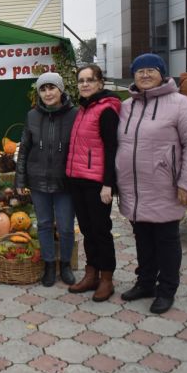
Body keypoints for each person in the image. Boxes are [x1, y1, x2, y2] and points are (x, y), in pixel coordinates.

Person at [117, 53, 187, 314]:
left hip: (165, 186)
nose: (145, 75)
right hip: (133, 187)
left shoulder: (181, 104)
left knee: (166, 240)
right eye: (139, 71)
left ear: (162, 73)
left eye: (151, 70)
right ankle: (145, 283)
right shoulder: (127, 107)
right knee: (143, 239)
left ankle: (167, 289)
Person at [15, 73, 78, 286]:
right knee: (43, 224)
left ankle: (66, 264)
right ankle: (49, 265)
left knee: (66, 226)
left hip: (65, 181)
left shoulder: (74, 114)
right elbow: (24, 150)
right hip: (38, 180)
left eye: (52, 88)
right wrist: (20, 181)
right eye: (43, 89)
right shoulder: (32, 116)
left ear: (60, 90)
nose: (48, 93)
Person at [65, 64, 121, 302]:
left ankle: (107, 279)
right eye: (81, 80)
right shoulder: (82, 109)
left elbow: (111, 148)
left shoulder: (106, 109)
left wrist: (109, 184)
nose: (85, 84)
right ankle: (92, 273)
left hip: (97, 182)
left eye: (90, 80)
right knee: (88, 230)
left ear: (100, 83)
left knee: (101, 231)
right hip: (78, 179)